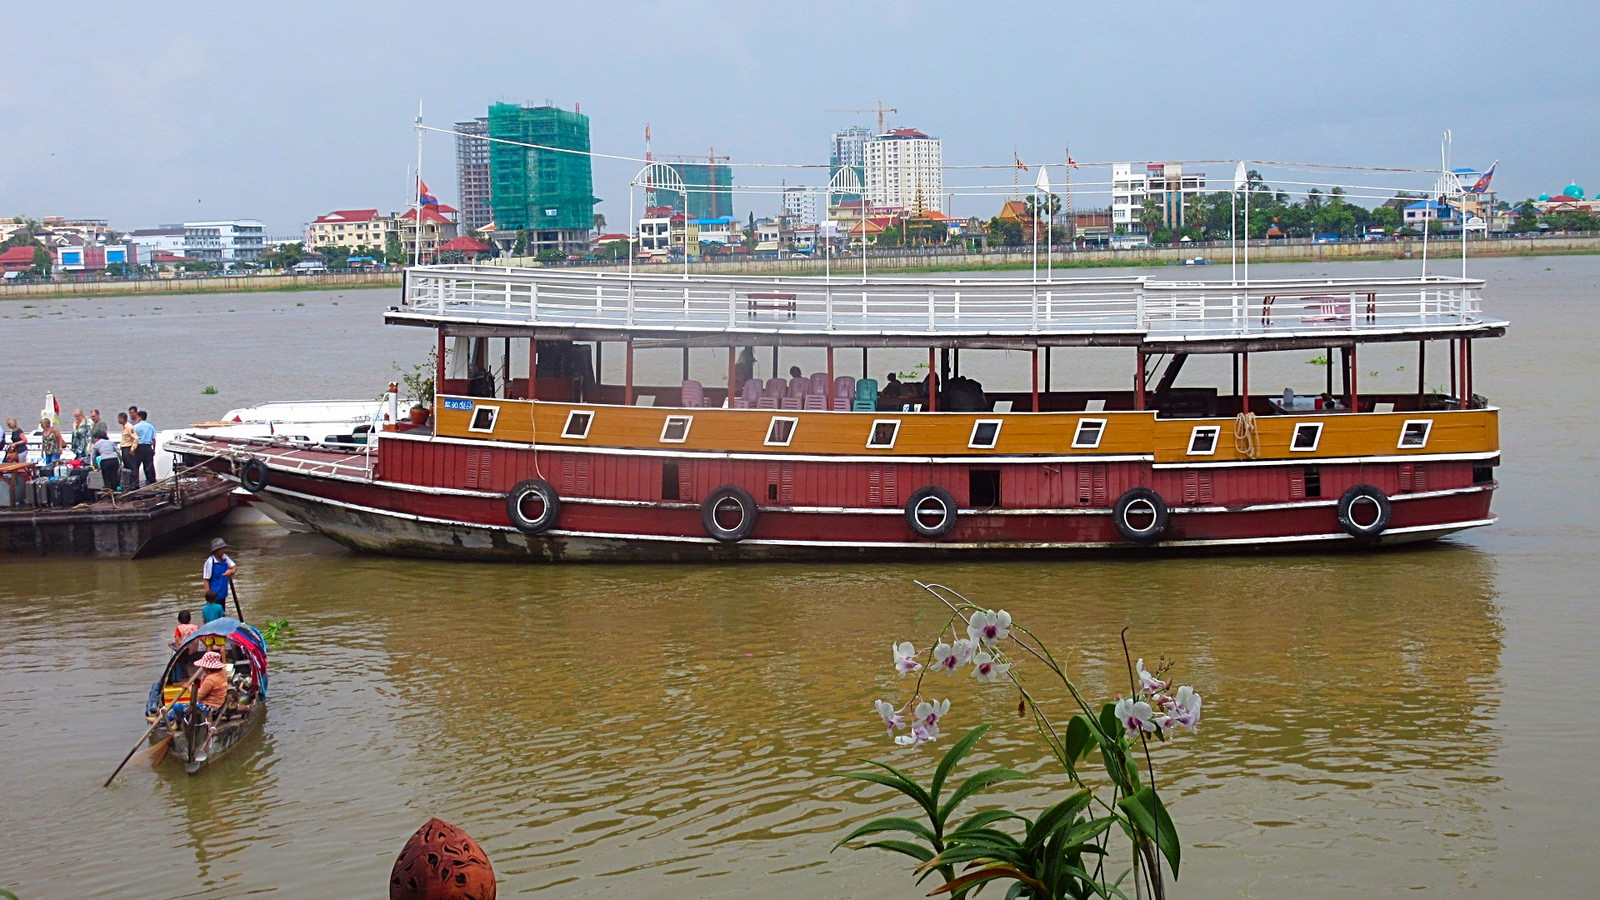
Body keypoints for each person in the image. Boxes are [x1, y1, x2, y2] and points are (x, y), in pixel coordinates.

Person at [169, 650, 229, 721]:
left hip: (209, 708)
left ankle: (171, 722)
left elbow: (198, 697)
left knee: (176, 706)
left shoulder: (210, 680)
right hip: (218, 704)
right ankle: (166, 720)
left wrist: (189, 687)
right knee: (174, 710)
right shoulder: (222, 672)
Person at [202, 537, 237, 612]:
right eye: (222, 549)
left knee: (222, 613)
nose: (224, 550)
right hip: (214, 596)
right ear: (216, 550)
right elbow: (206, 580)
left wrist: (231, 572)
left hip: (223, 593)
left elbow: (234, 567)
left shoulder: (225, 558)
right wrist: (208, 599)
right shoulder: (210, 562)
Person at [132, 409, 157, 487]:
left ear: (139, 417)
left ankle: (135, 483)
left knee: (136, 466)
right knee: (149, 465)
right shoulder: (151, 427)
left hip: (139, 447)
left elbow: (133, 438)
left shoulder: (135, 427)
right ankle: (151, 481)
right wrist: (154, 449)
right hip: (148, 447)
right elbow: (153, 439)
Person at [116, 412, 136, 478]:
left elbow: (136, 438)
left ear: (122, 419)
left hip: (128, 448)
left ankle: (134, 482)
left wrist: (133, 449)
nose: (118, 420)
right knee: (126, 466)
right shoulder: (124, 427)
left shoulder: (129, 427)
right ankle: (128, 481)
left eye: (119, 418)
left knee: (131, 466)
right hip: (124, 448)